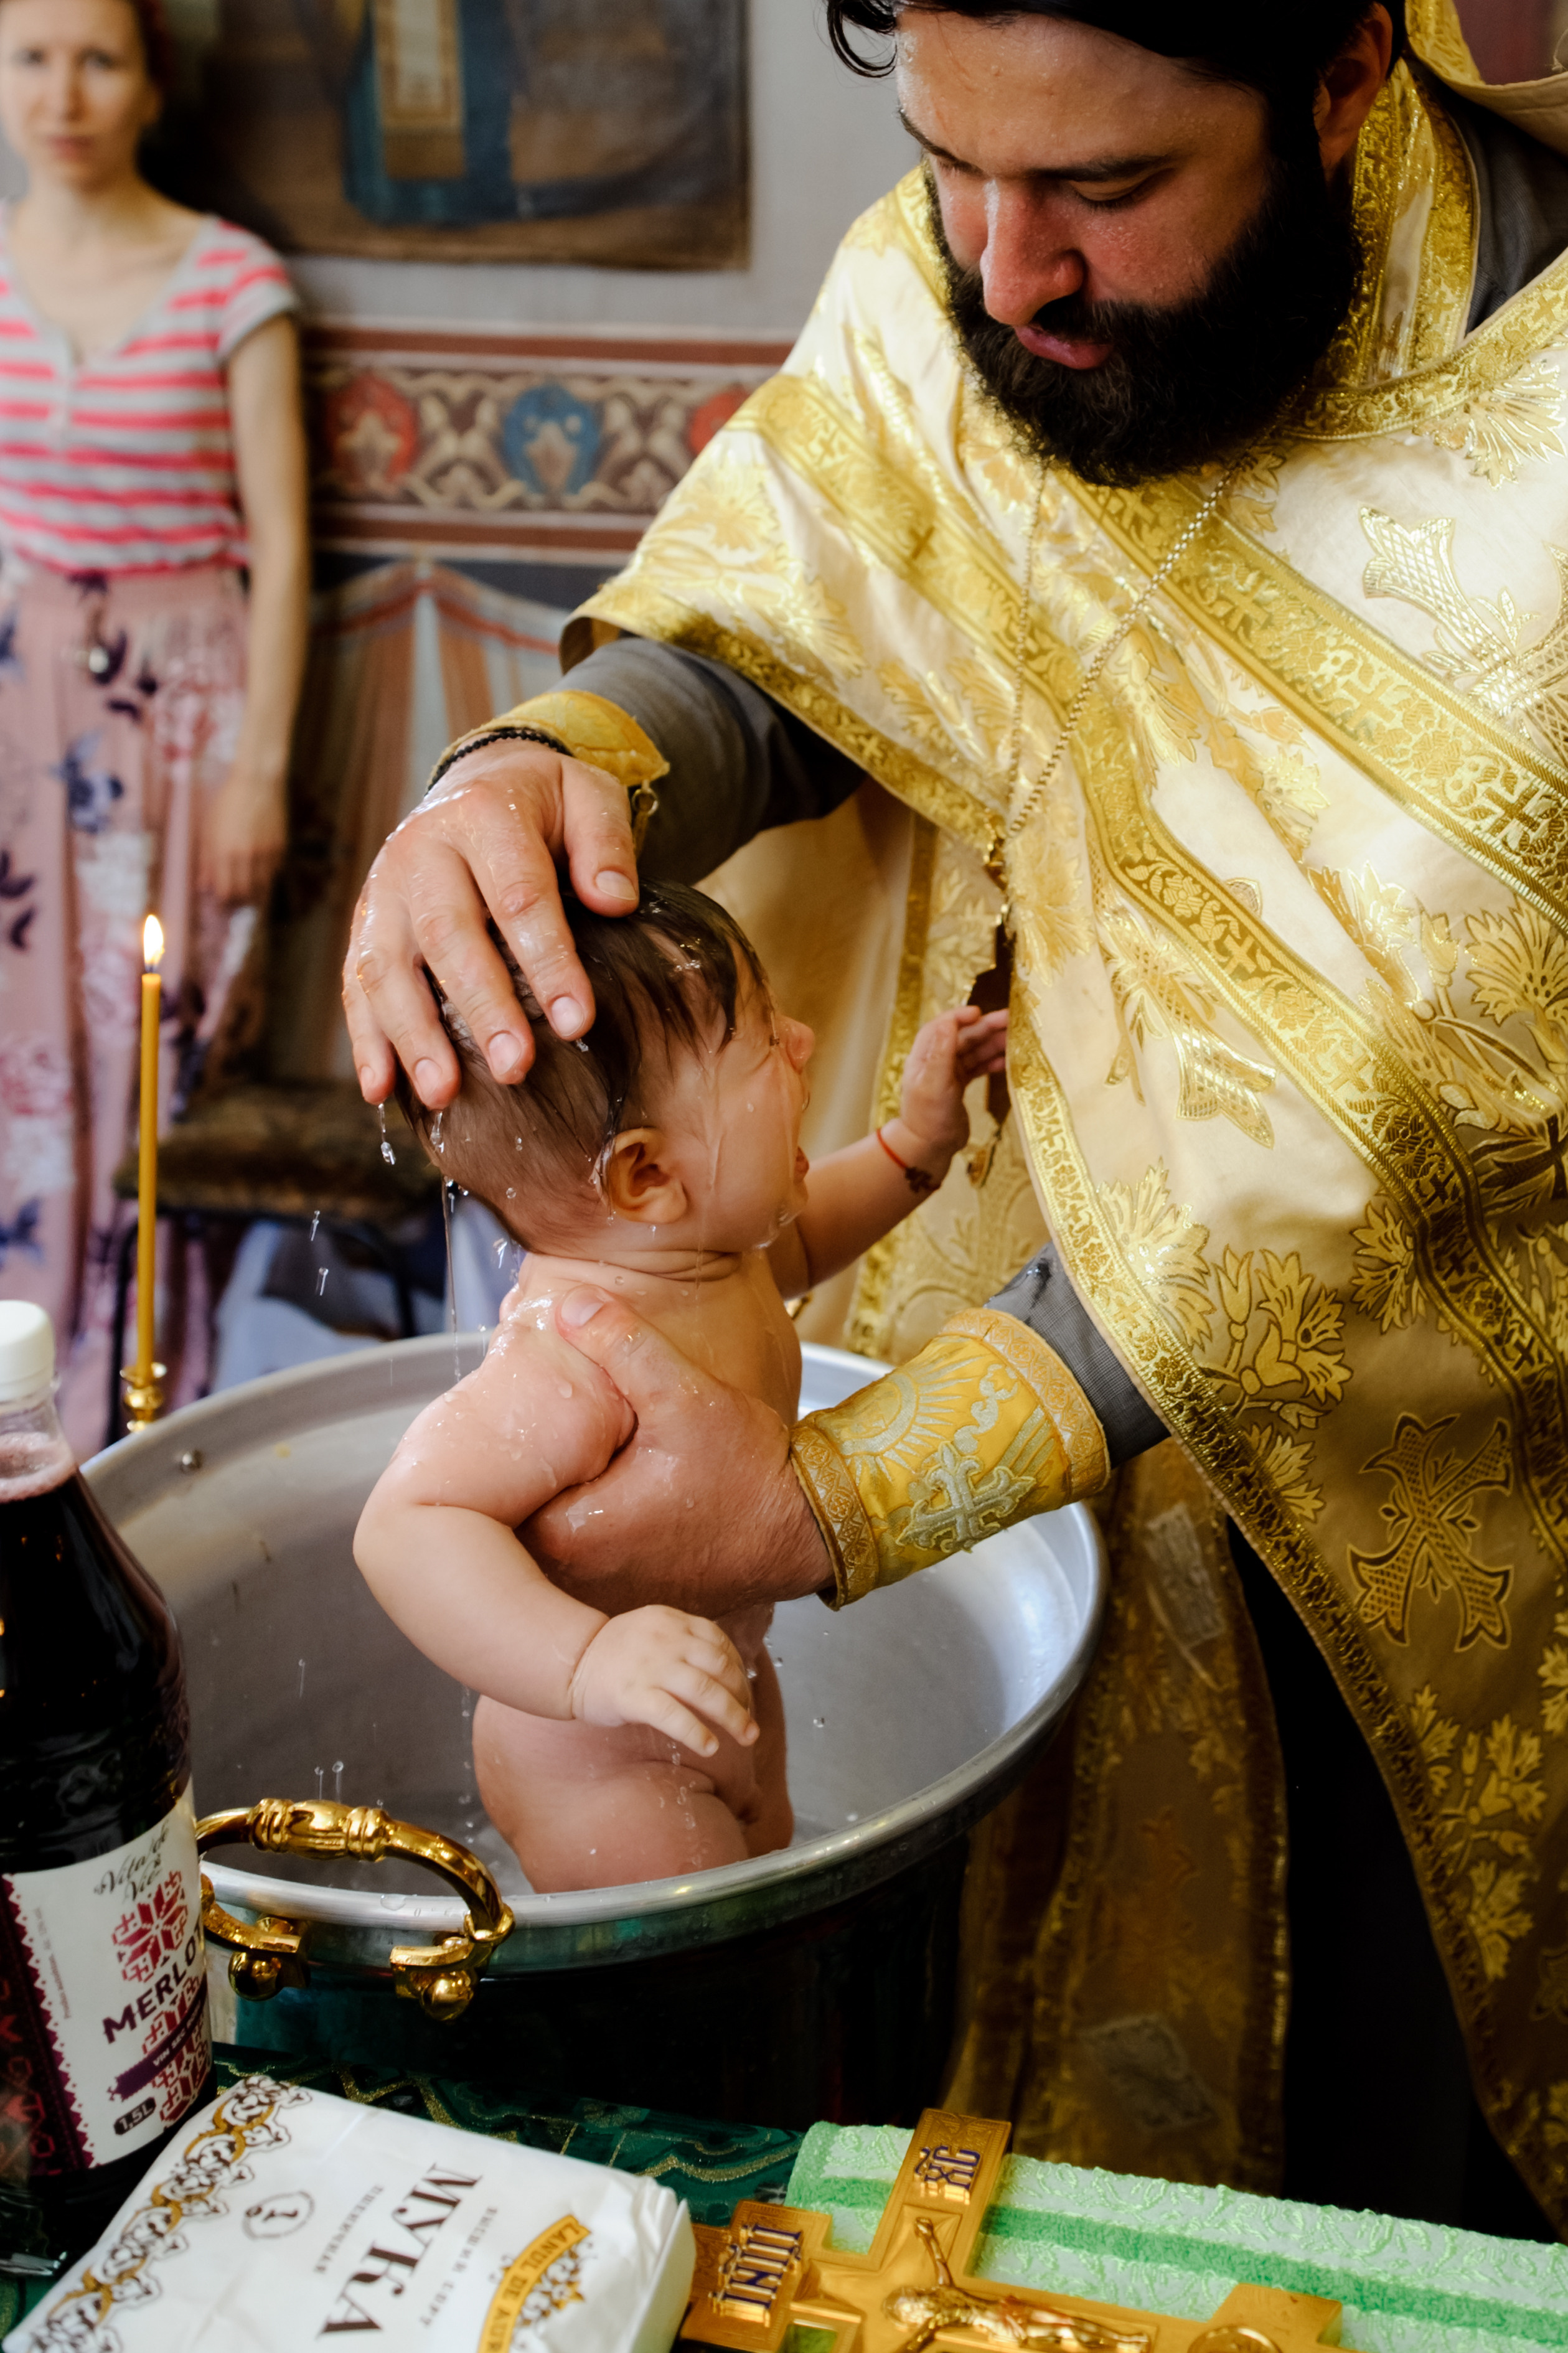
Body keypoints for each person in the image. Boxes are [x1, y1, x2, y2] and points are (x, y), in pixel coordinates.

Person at [342, 1, 1568, 2237]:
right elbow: (791, 636)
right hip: (942, 1327)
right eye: (947, 168)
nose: (999, 276)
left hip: (1407, 1533)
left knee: (1359, 2171)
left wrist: (829, 1500)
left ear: (1341, 81)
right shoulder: (976, 251)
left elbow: (1384, 1149)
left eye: (1104, 193)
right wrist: (544, 771)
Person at [354, 880, 1009, 1891]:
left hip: (720, 1688)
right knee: (683, 2007)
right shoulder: (577, 1355)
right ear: (646, 1177)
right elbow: (406, 1524)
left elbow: (811, 1232)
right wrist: (586, 1665)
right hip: (592, 1761)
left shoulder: (705, 1247)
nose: (802, 1040)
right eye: (759, 1045)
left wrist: (914, 1148)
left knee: (758, 1921)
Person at [0, 0, 308, 1451]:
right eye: (31, 57)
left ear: (148, 86)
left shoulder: (228, 280)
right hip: (18, 709)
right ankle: (18, 1381)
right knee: (22, 1052)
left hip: (183, 724)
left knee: (150, 1055)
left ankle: (144, 1407)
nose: (63, 91)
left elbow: (284, 549)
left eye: (97, 58)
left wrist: (261, 772)